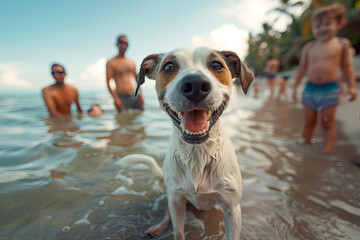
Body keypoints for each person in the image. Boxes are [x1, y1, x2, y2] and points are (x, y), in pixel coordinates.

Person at [292, 3, 357, 153]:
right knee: (309, 122)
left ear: (339, 24)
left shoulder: (342, 44)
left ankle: (327, 149)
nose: (322, 28)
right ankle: (305, 144)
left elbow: (347, 67)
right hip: (310, 88)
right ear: (313, 28)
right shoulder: (309, 47)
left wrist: (352, 86)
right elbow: (302, 69)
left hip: (331, 89)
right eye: (318, 26)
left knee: (328, 122)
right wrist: (295, 87)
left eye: (328, 24)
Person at [106, 35, 144, 112]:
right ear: (117, 44)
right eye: (121, 42)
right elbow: (108, 82)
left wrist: (141, 95)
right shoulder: (111, 62)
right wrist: (115, 98)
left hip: (135, 95)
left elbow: (137, 79)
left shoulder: (131, 62)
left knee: (140, 120)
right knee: (122, 122)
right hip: (121, 97)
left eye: (126, 44)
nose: (124, 45)